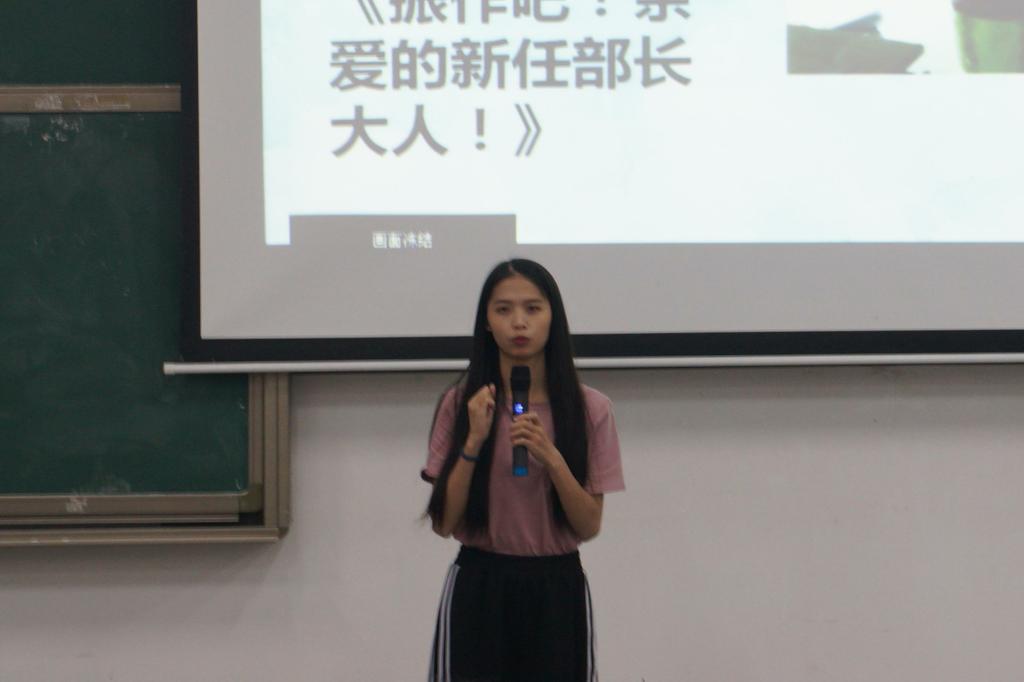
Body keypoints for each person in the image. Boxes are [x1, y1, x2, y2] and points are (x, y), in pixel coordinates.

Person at [421, 259, 625, 682]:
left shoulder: (591, 409)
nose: (519, 322)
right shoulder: (462, 405)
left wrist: (552, 458)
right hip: (480, 583)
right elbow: (443, 523)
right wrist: (473, 442)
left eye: (533, 308)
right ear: (486, 322)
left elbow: (589, 525)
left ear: (553, 318)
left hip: (556, 587)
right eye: (503, 309)